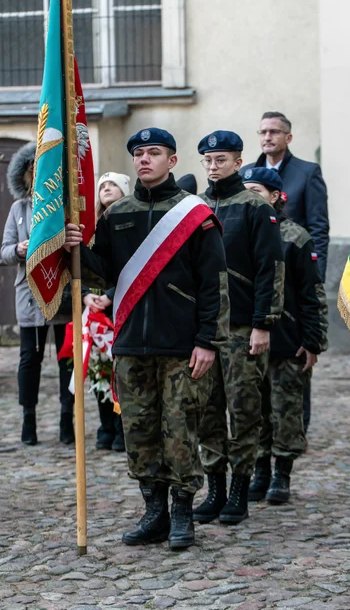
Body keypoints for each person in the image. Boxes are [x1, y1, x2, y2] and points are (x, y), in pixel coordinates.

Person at [64, 127, 229, 550]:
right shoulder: (118, 214)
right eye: (138, 153)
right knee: (139, 432)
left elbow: (213, 284)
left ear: (172, 161)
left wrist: (207, 341)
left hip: (181, 346)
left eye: (153, 153)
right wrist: (76, 248)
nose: (143, 159)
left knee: (180, 432)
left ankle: (181, 515)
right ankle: (153, 512)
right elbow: (105, 271)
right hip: (131, 344)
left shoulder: (194, 214)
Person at [194, 131, 284, 526]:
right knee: (206, 410)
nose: (214, 167)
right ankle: (214, 487)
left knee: (244, 409)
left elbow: (270, 268)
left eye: (221, 159)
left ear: (237, 160)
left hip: (243, 326)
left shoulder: (253, 207)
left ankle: (239, 490)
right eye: (208, 160)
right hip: (204, 329)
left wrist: (263, 324)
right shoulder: (193, 207)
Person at [242, 111, 330, 432]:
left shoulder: (307, 173)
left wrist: (314, 269)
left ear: (287, 137)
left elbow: (318, 225)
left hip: (296, 270)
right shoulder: (248, 174)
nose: (267, 137)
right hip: (256, 277)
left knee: (294, 353)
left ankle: (297, 426)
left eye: (274, 132)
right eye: (263, 131)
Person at [244, 168, 328, 504]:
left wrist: (312, 340)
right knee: (255, 409)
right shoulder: (237, 231)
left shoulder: (295, 236)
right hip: (246, 339)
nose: (251, 197)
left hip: (287, 339)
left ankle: (282, 474)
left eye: (258, 191)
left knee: (286, 409)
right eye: (246, 190)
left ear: (277, 196)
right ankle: (260, 469)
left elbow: (311, 293)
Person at [0, 142, 75, 446]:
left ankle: (66, 418)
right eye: (33, 172)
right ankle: (28, 418)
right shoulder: (18, 209)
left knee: (66, 360)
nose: (37, 176)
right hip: (30, 297)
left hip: (64, 293)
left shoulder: (66, 204)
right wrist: (19, 249)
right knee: (29, 360)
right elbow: (4, 251)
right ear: (27, 176)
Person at [83, 171, 130, 452]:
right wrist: (88, 296)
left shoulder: (129, 222)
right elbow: (81, 266)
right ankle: (106, 427)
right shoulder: (91, 227)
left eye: (113, 184)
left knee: (119, 370)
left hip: (120, 309)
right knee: (99, 369)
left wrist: (111, 297)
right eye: (102, 185)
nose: (107, 188)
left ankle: (123, 427)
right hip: (94, 312)